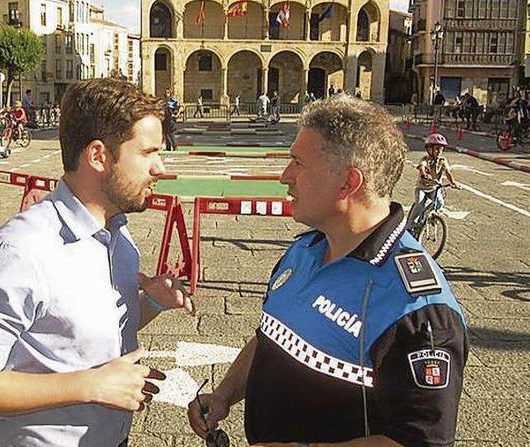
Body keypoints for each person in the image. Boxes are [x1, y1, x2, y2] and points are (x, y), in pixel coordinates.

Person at [187, 97, 468, 447]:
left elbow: (421, 440)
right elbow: (269, 337)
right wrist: (225, 394)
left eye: (298, 163)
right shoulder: (303, 251)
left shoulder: (418, 307)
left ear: (348, 182)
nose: (284, 177)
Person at [0, 78, 196, 447]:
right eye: (147, 152)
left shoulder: (117, 235)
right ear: (98, 156)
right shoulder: (21, 251)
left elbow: (80, 332)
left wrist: (152, 303)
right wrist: (90, 385)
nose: (159, 167)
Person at [406, 133, 461, 229]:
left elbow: (447, 172)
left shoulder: (443, 161)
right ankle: (409, 225)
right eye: (436, 149)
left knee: (440, 203)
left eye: (441, 149)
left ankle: (428, 216)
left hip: (434, 188)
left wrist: (453, 182)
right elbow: (422, 166)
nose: (439, 151)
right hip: (422, 188)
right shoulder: (425, 159)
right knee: (419, 203)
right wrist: (424, 174)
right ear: (429, 149)